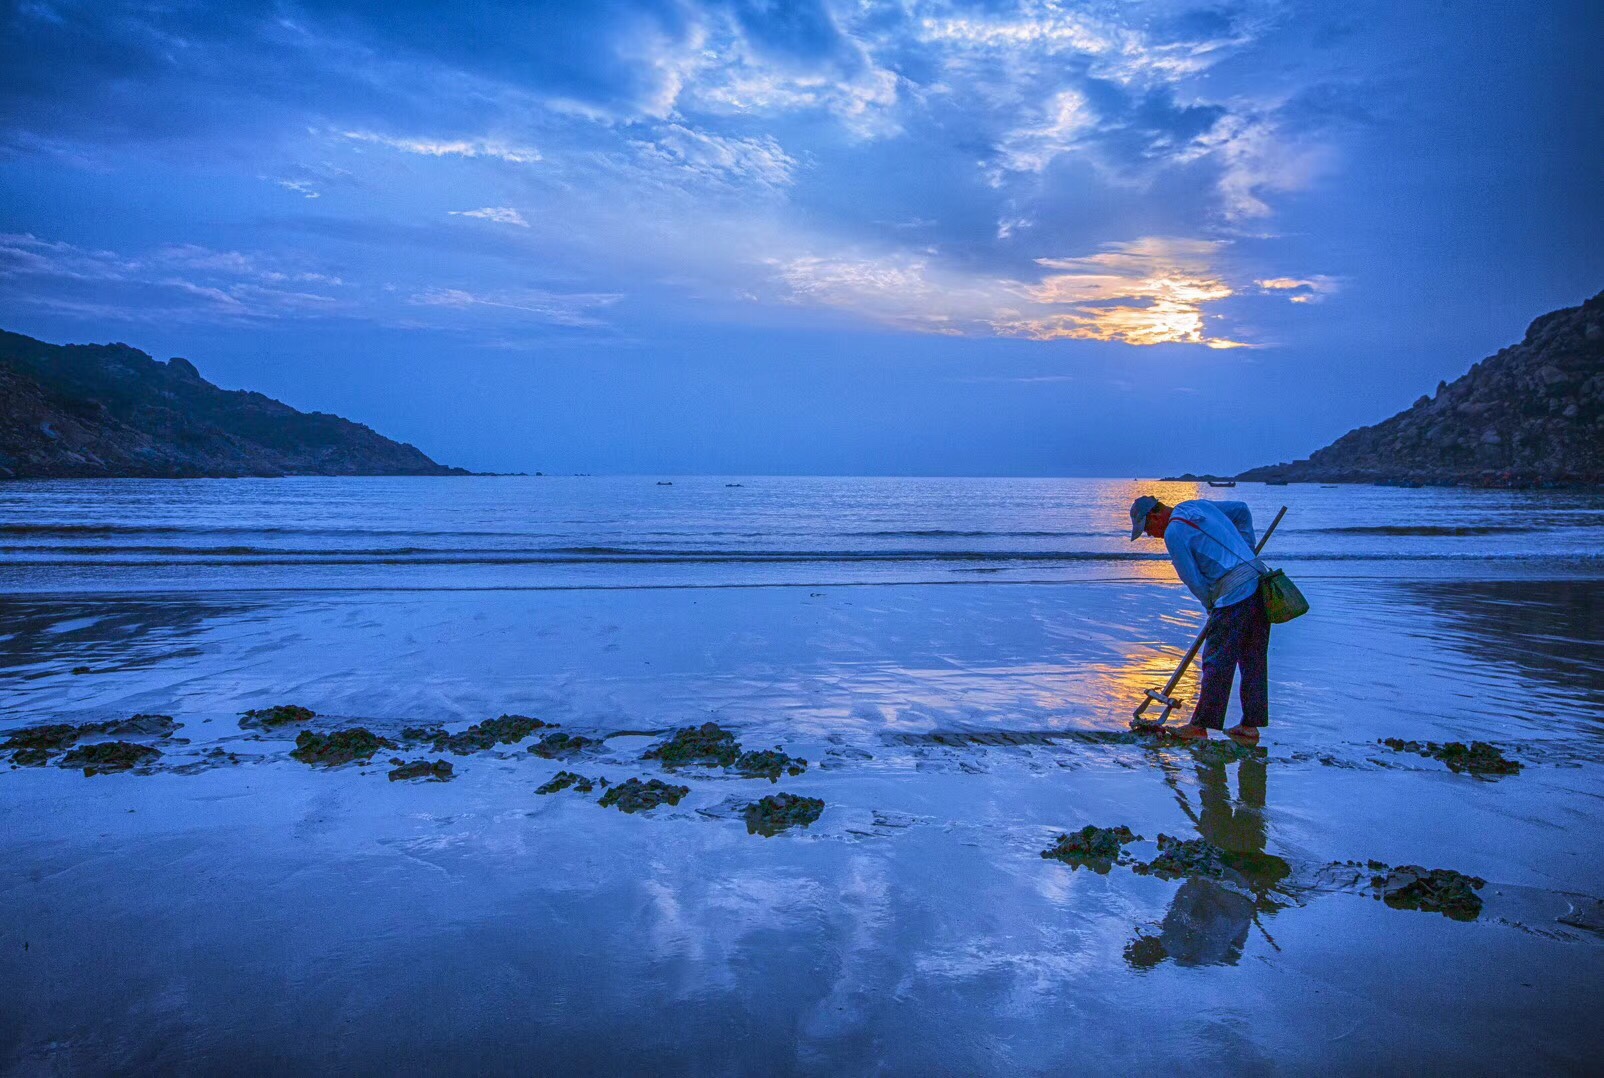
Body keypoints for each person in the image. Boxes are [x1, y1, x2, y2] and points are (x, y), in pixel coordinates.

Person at [1129, 495, 1270, 744]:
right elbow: (1241, 508)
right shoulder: (1198, 506)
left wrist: (1209, 604)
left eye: (1148, 529)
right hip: (1260, 583)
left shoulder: (1174, 532)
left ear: (1154, 515)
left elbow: (1192, 578)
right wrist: (1247, 548)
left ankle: (1200, 726)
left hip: (1234, 594)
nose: (1151, 536)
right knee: (1253, 659)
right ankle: (1250, 726)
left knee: (1216, 661)